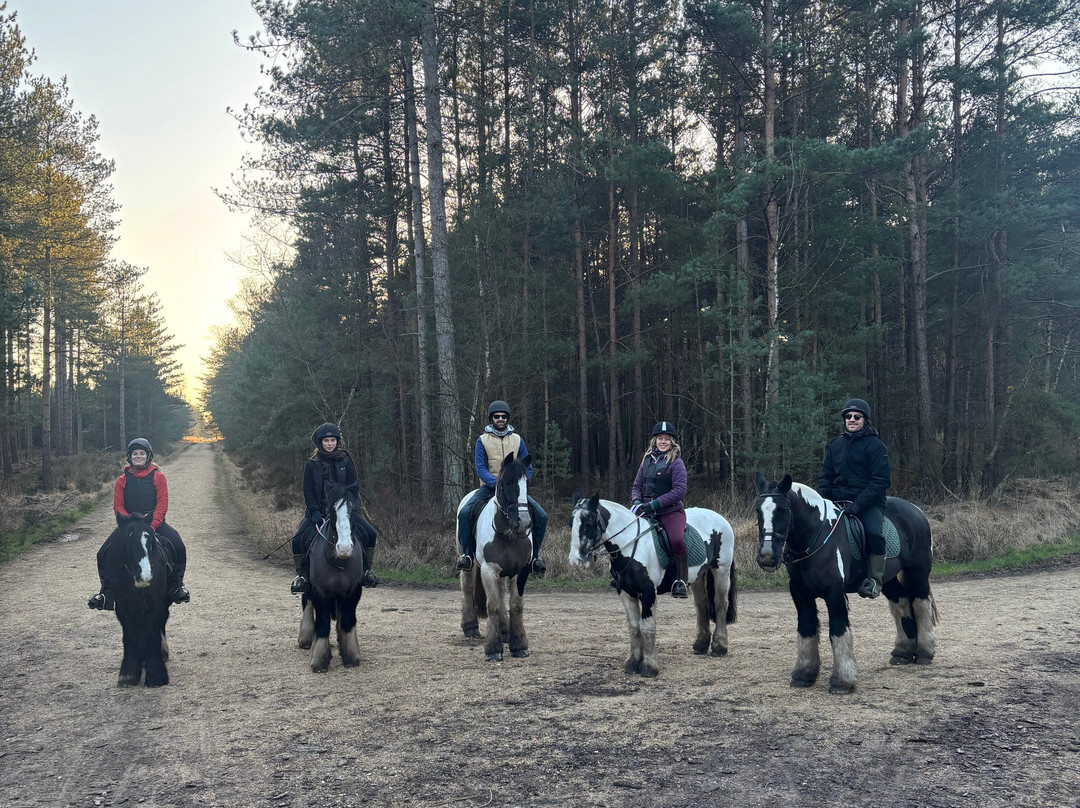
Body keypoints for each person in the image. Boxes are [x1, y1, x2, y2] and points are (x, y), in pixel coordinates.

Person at [88, 438, 189, 609]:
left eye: (142, 453)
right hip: (129, 526)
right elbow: (118, 507)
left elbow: (162, 505)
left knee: (178, 546)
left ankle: (177, 587)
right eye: (135, 453)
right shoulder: (122, 480)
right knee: (102, 553)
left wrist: (150, 526)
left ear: (148, 456)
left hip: (154, 524)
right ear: (129, 457)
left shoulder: (158, 477)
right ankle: (106, 593)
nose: (138, 456)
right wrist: (130, 526)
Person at [456, 400, 549, 576]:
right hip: (489, 487)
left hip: (514, 490)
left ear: (507, 418)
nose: (500, 419)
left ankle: (535, 558)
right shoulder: (482, 441)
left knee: (542, 516)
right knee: (464, 514)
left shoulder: (517, 440)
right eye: (497, 416)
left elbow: (527, 467)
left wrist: (521, 483)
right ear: (491, 418)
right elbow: (480, 468)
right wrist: (496, 483)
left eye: (503, 416)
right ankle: (467, 555)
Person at [815, 398, 891, 598]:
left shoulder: (876, 446)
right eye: (848, 416)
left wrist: (858, 505)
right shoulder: (835, 447)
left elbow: (880, 482)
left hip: (868, 504)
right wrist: (823, 502)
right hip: (836, 503)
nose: (852, 419)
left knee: (873, 533)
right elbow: (826, 478)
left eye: (857, 416)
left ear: (865, 420)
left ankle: (875, 580)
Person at [291, 423, 379, 593]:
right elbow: (308, 491)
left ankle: (367, 571)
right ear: (320, 442)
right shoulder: (311, 464)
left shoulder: (345, 461)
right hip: (318, 512)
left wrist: (348, 508)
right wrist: (315, 512)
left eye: (332, 440)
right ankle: (302, 576)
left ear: (337, 441)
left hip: (343, 511)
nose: (330, 443)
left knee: (371, 534)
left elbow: (353, 487)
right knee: (297, 540)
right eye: (326, 441)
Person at [631, 421, 689, 598]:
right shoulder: (646, 460)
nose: (663, 442)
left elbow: (679, 491)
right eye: (660, 438)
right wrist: (637, 501)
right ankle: (623, 575)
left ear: (672, 442)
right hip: (645, 510)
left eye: (666, 439)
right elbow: (637, 485)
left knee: (676, 539)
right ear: (655, 440)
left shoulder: (676, 463)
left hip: (670, 512)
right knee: (625, 534)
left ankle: (680, 580)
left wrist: (655, 504)